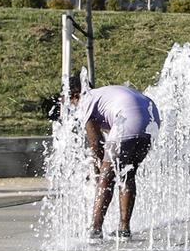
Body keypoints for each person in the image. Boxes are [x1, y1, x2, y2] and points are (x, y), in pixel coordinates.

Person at [68, 74, 160, 240]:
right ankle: (124, 228)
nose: (72, 106)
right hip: (151, 121)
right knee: (127, 174)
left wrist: (97, 172)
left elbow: (95, 144)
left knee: (106, 178)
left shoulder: (86, 100)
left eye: (70, 101)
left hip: (128, 121)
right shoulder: (103, 95)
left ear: (75, 95)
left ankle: (95, 229)